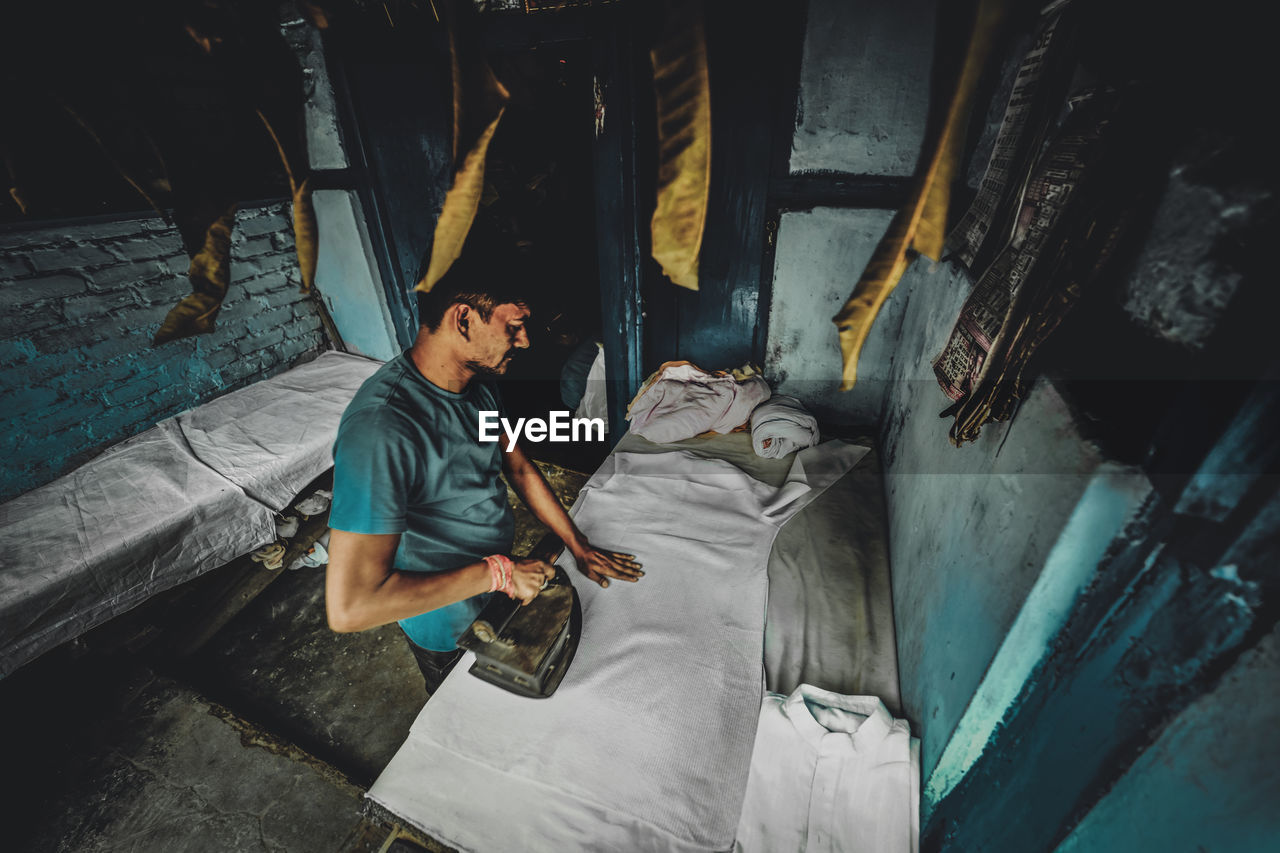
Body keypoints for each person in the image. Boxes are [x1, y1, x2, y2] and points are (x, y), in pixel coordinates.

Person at [324, 252, 643, 694]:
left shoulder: (479, 386)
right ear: (463, 319)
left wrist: (578, 545)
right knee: (466, 718)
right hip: (446, 624)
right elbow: (350, 607)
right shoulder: (381, 429)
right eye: (513, 326)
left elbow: (518, 465)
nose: (526, 341)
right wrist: (500, 573)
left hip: (497, 592)